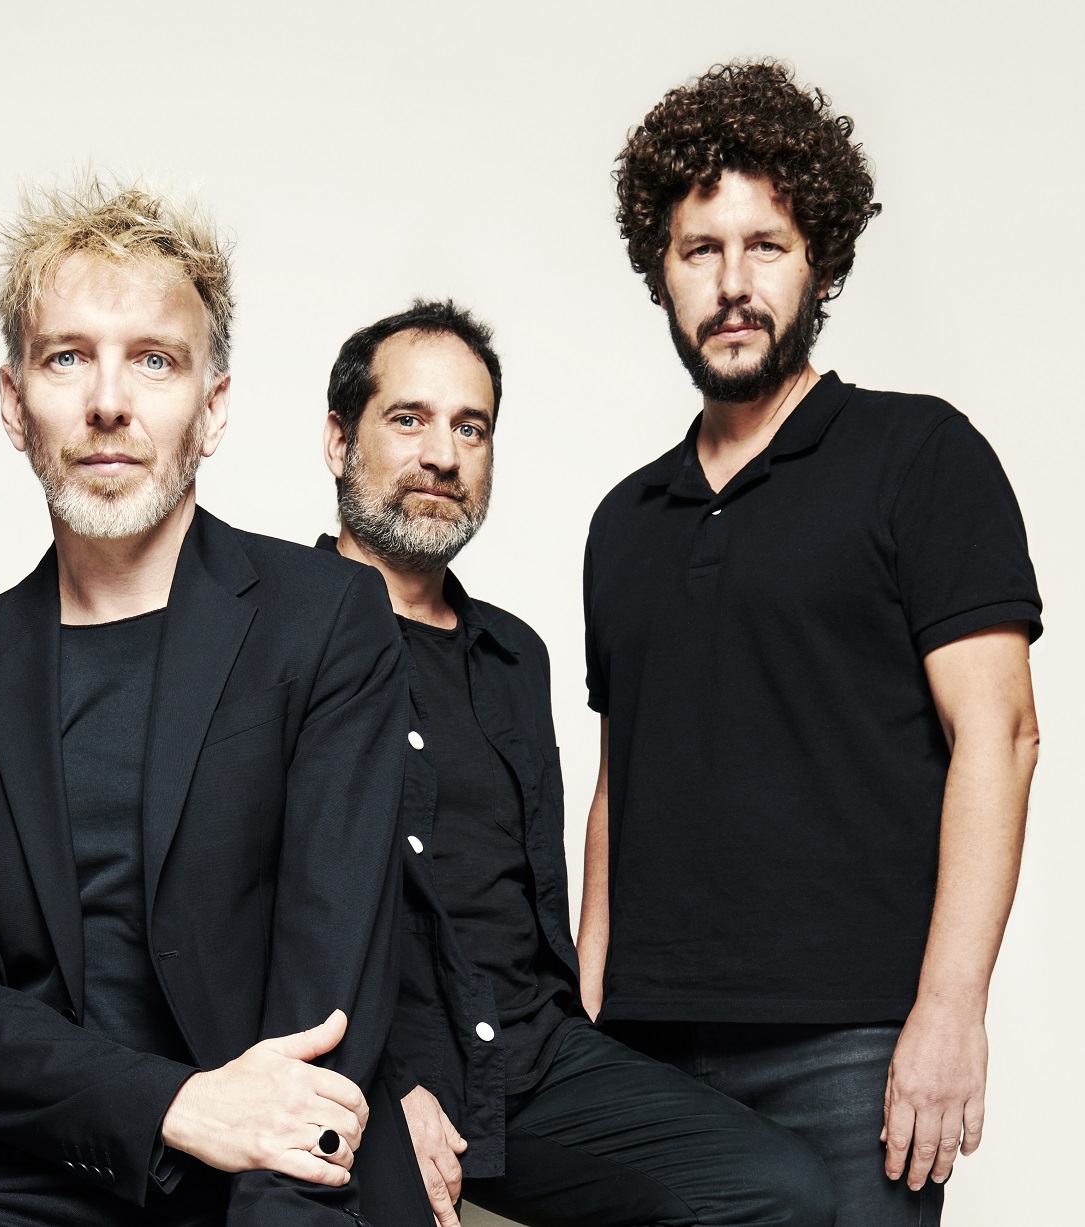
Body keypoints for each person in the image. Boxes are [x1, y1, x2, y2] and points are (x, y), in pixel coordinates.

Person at [0, 179, 431, 1227]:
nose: (107, 401)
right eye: (66, 357)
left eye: (154, 360)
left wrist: (261, 1165)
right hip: (36, 1162)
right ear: (14, 403)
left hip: (279, 1151)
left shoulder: (324, 619)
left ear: (211, 409)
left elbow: (330, 970)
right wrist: (173, 1105)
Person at [581, 62, 1043, 1225]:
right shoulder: (623, 520)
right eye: (699, 250)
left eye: (765, 246)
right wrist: (582, 1017)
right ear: (659, 271)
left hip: (848, 1051)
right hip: (641, 1051)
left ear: (820, 263)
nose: (731, 284)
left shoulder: (919, 457)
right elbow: (616, 784)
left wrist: (949, 1013)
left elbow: (999, 735)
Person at [321, 299, 832, 1227]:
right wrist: (373, 1082)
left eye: (470, 427)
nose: (443, 455)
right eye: (408, 419)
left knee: (781, 1191)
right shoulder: (276, 633)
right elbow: (239, 908)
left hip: (537, 1059)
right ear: (337, 441)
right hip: (389, 1074)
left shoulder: (512, 654)